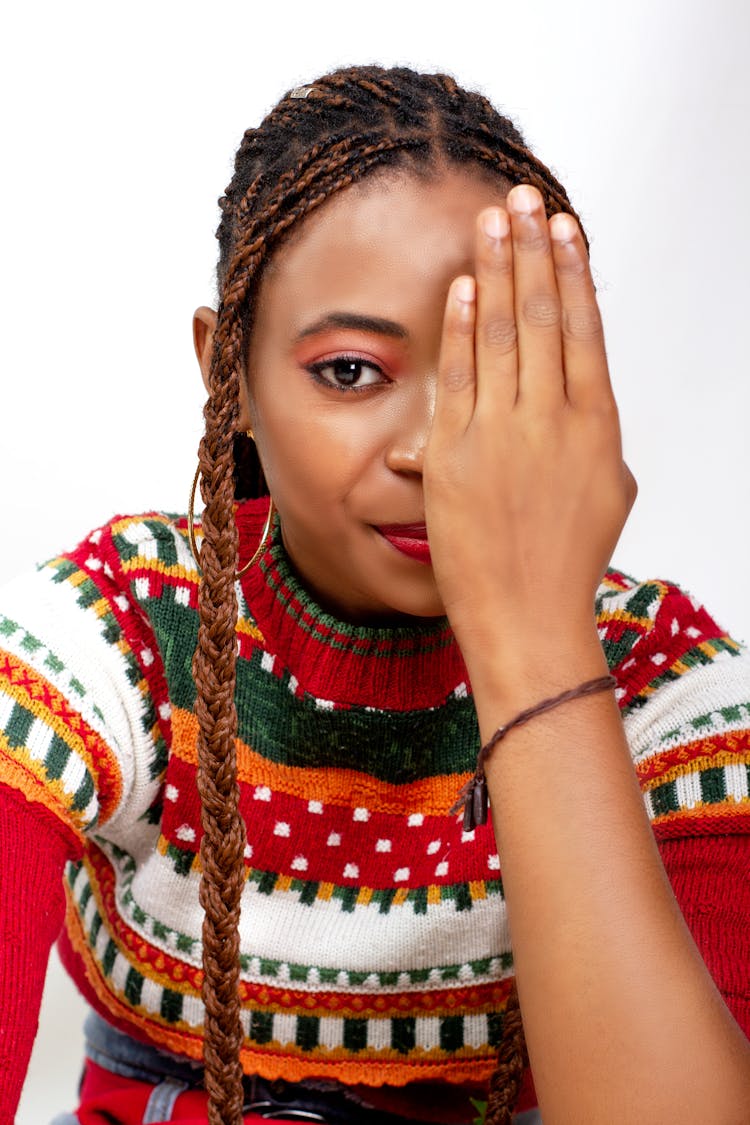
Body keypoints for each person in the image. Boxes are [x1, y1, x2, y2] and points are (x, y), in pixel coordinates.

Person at [1, 63, 749, 1125]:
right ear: (232, 383)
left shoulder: (668, 685)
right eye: (351, 370)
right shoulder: (121, 623)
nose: (431, 451)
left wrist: (534, 636)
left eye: (493, 372)